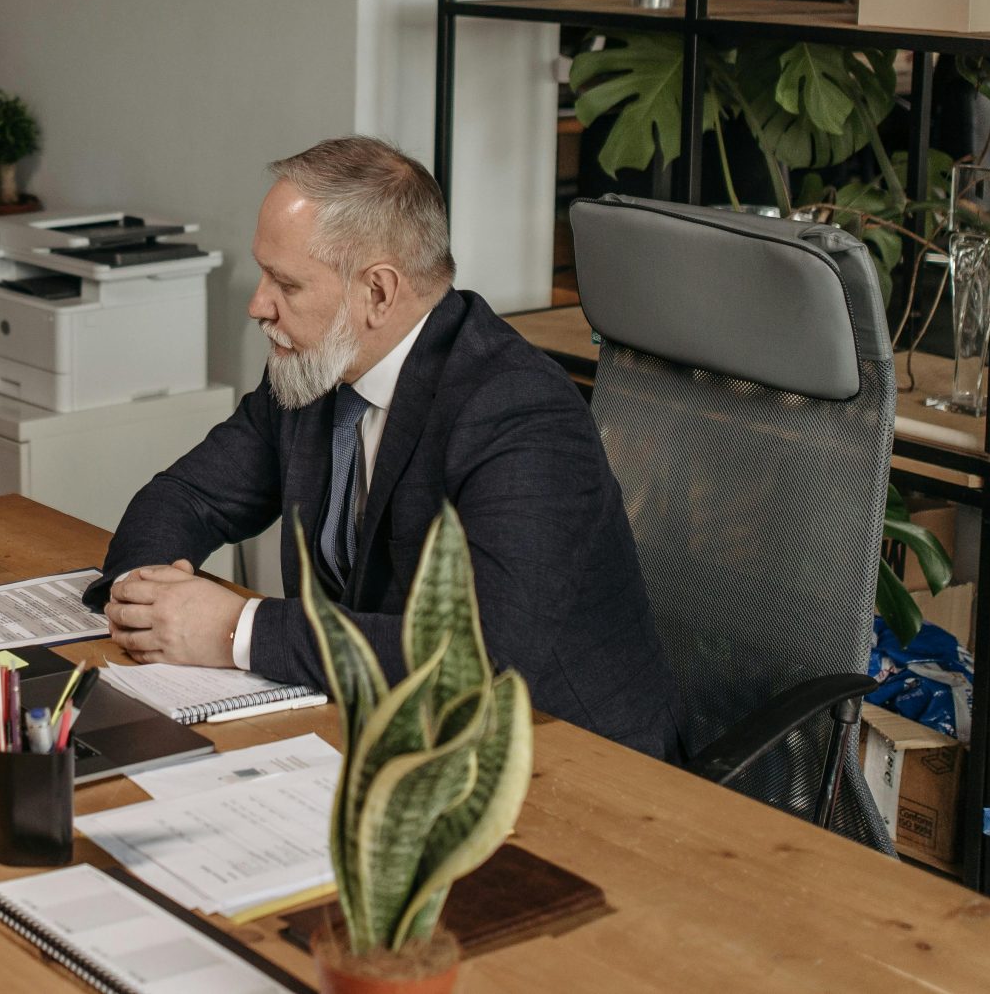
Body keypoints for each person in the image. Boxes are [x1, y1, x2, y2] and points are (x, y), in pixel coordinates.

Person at [89, 136, 681, 761]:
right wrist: (143, 599)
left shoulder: (518, 411)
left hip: (567, 760)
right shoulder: (315, 368)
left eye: (285, 283)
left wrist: (237, 630)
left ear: (377, 293)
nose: (257, 305)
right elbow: (186, 497)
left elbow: (487, 657)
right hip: (380, 733)